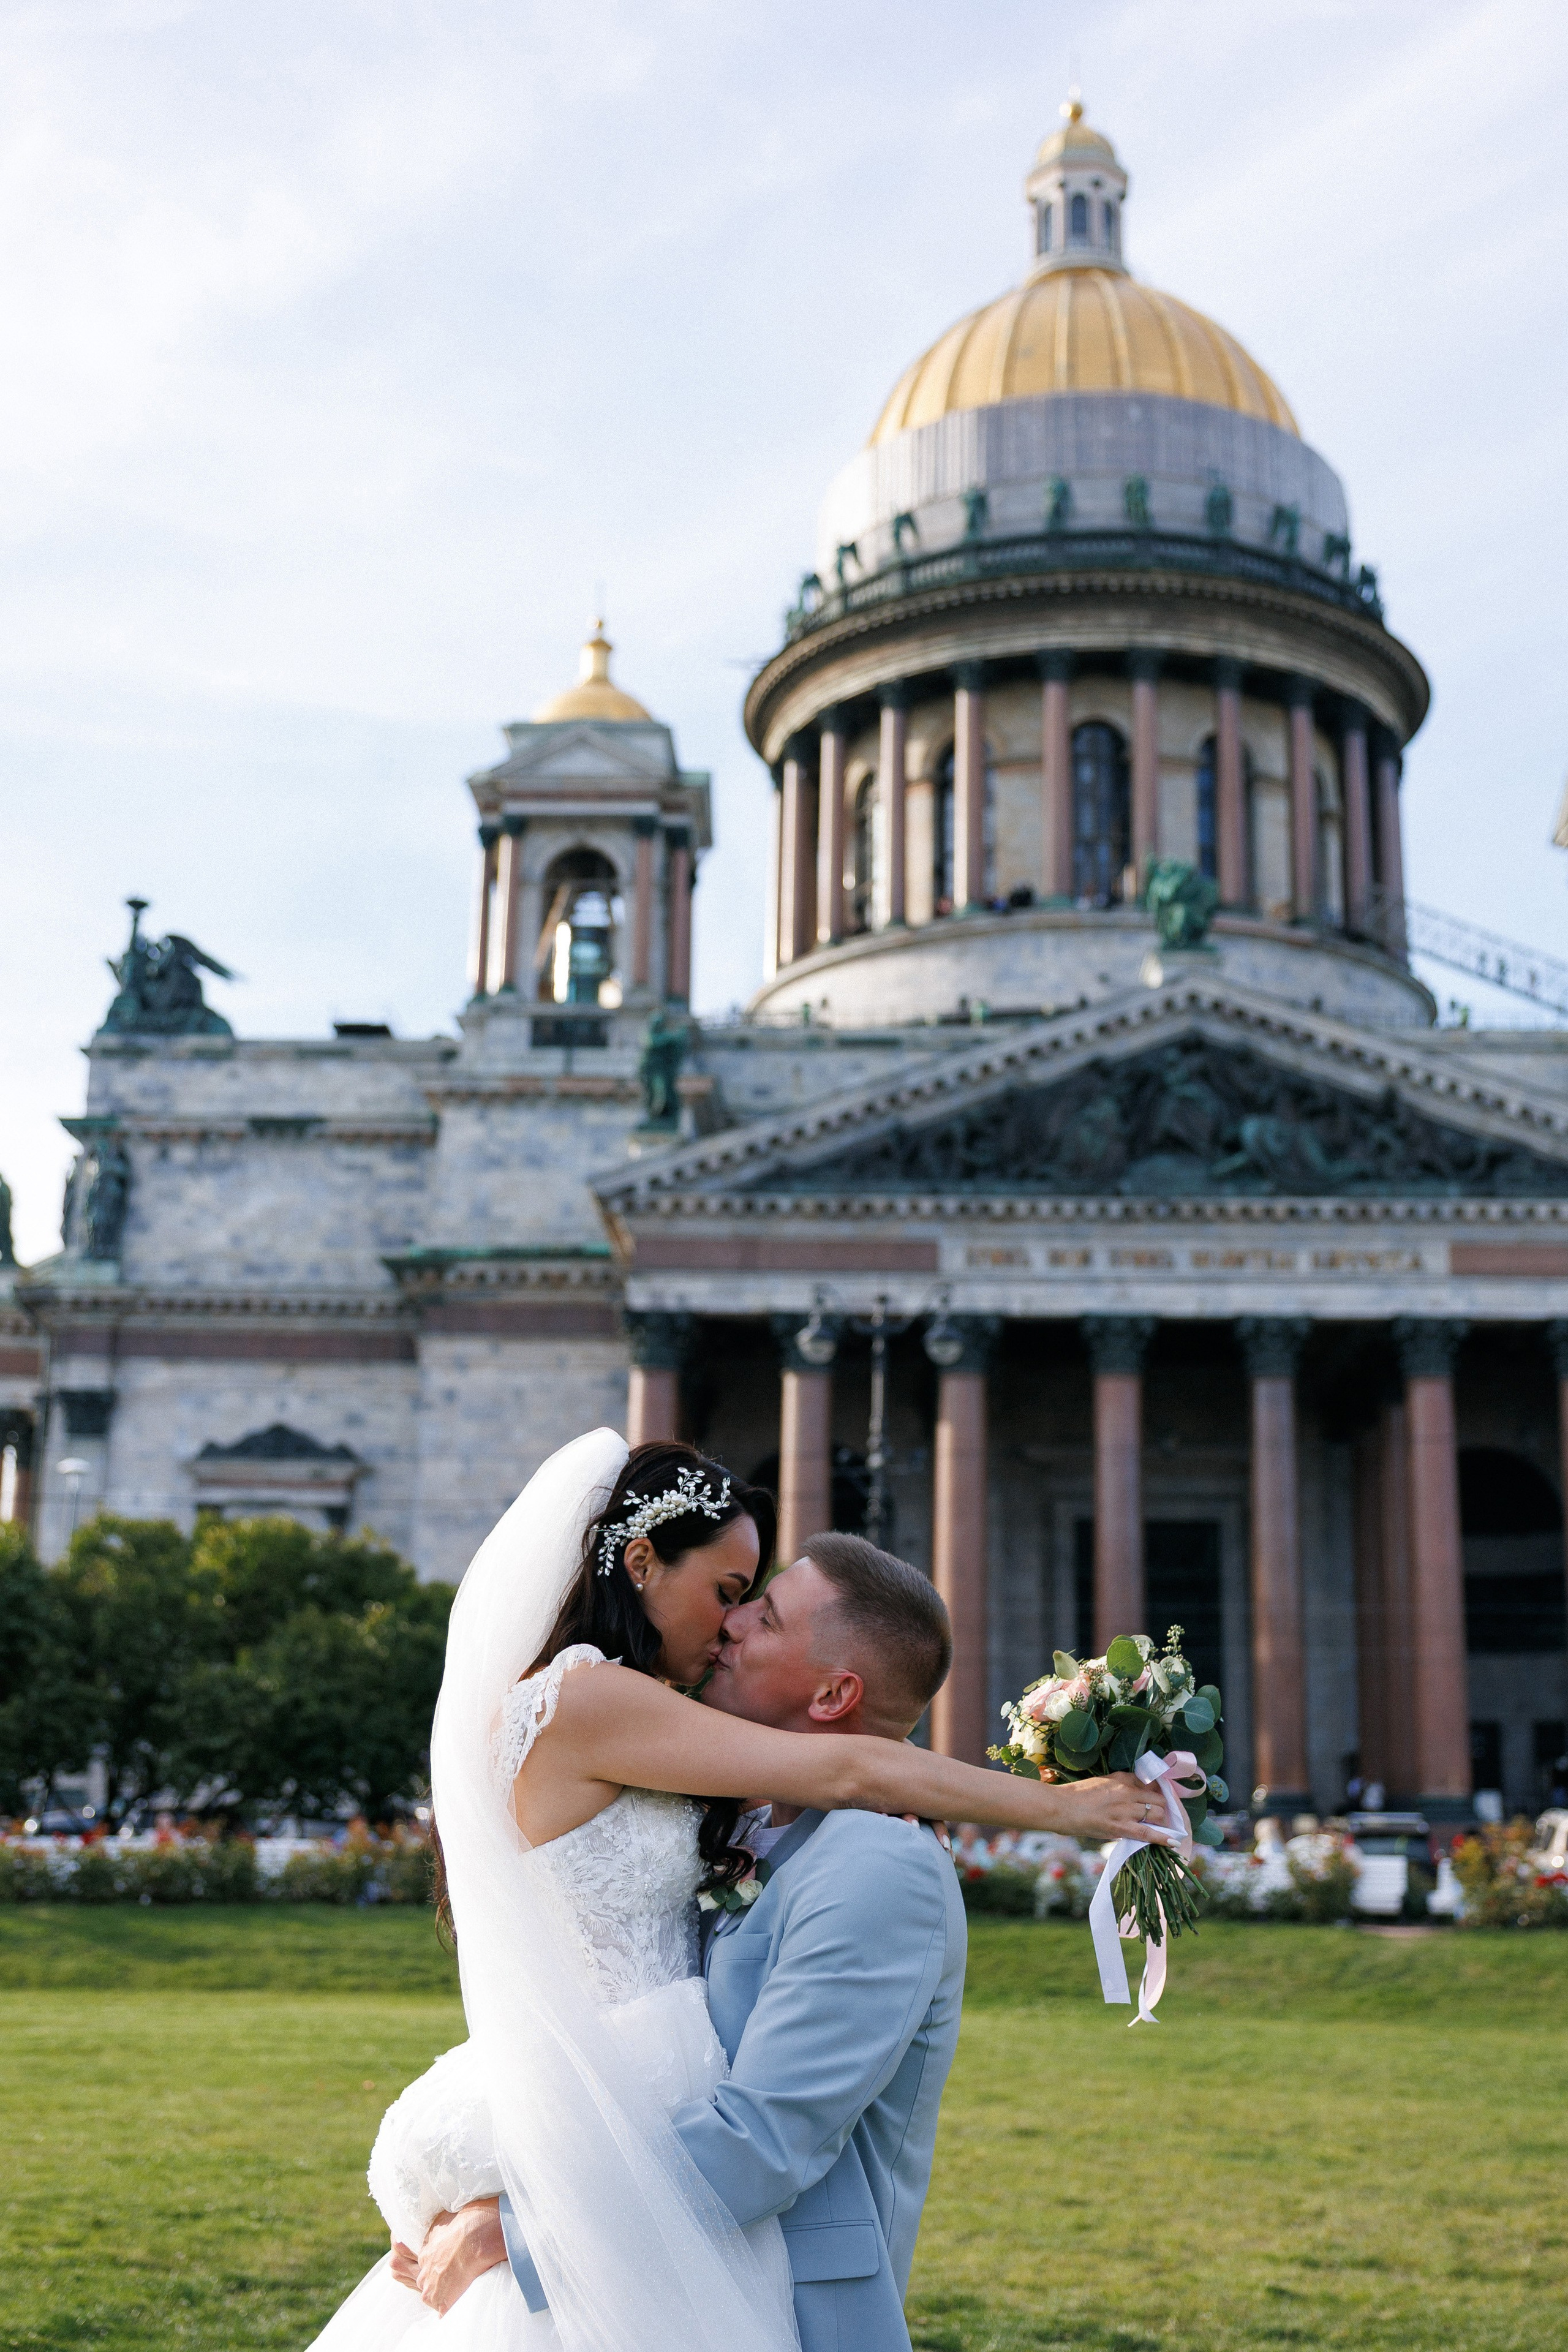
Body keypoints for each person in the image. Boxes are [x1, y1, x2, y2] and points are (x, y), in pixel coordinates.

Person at [307, 1430, 1172, 2352]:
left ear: (835, 1692)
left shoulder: (872, 1864)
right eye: (730, 1596)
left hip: (681, 2212)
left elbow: (769, 2137)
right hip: (615, 2149)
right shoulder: (592, 1703)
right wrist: (1062, 1809)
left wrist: (1073, 1810)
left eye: (756, 1613)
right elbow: (846, 1769)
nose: (732, 1627)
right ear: (641, 1562)